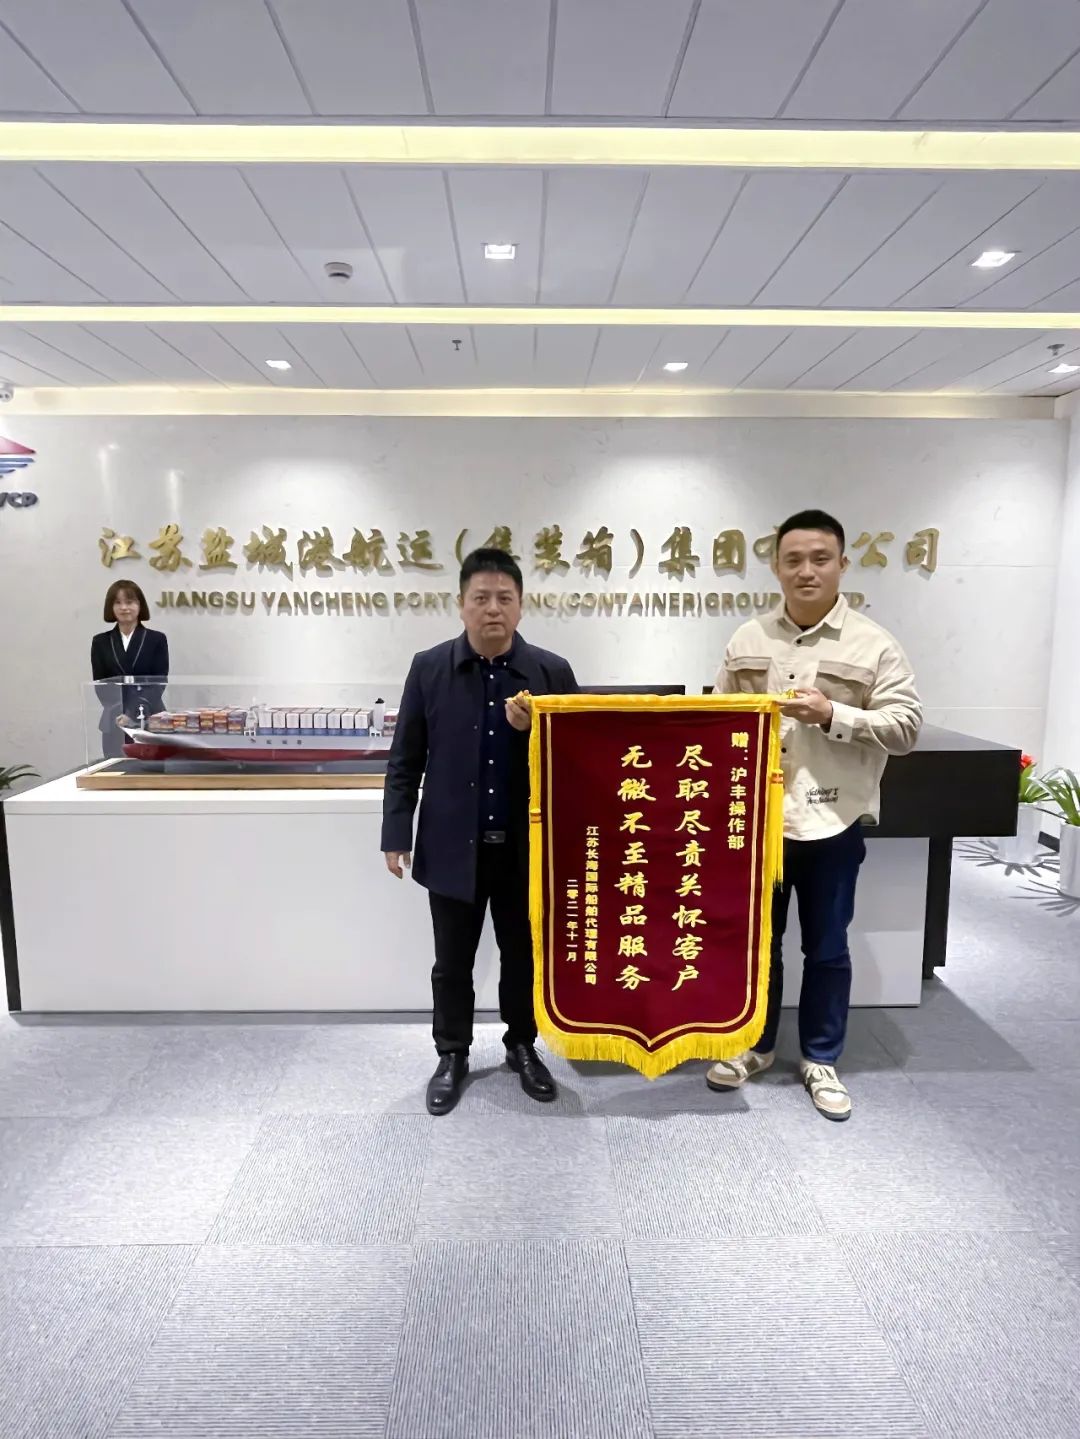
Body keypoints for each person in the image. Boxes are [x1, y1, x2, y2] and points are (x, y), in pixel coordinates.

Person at [706, 509, 921, 1120]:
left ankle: (821, 1058)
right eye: (793, 560)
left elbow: (906, 728)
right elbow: (718, 716)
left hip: (833, 820)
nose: (807, 571)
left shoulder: (873, 644)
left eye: (820, 559)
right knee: (757, 945)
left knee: (827, 946)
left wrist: (832, 715)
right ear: (776, 568)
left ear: (842, 565)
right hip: (759, 824)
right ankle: (755, 1045)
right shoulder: (748, 639)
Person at [382, 548, 578, 1115]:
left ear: (521, 606)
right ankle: (452, 1054)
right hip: (450, 846)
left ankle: (523, 1047)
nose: (493, 609)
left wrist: (537, 729)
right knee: (452, 963)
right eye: (481, 598)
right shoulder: (429, 668)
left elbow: (578, 760)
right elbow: (405, 757)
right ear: (461, 604)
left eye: (504, 598)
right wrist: (396, 833)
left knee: (524, 956)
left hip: (525, 849)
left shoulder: (551, 673)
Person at [90, 580, 170, 760]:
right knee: (116, 768)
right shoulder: (101, 642)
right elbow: (101, 685)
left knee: (153, 770)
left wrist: (132, 713)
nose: (124, 607)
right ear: (111, 607)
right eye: (118, 602)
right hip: (115, 720)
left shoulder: (156, 639)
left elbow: (159, 682)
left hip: (149, 716)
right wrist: (121, 713)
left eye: (129, 602)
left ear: (140, 605)